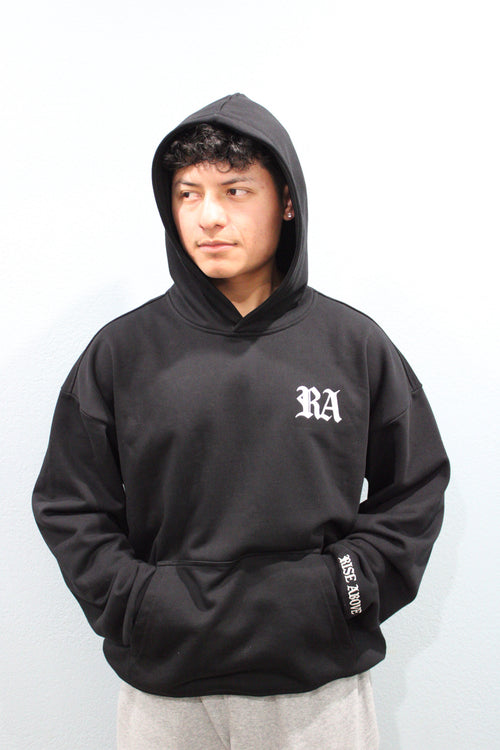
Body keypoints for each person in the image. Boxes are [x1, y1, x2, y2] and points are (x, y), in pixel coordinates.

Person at [32, 93, 450, 749]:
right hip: (167, 695)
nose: (209, 216)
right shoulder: (122, 352)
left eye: (235, 191)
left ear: (286, 202)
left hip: (318, 693)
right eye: (188, 194)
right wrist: (140, 603)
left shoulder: (353, 345)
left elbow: (415, 490)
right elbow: (69, 504)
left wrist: (339, 590)